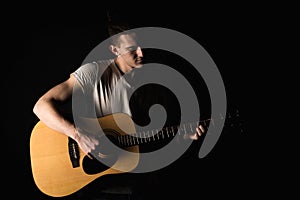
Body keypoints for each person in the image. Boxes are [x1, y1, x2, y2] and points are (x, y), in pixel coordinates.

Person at [32, 11, 206, 200]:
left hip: (137, 182)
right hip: (100, 186)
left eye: (143, 46)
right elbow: (41, 106)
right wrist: (77, 133)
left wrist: (180, 137)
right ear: (115, 50)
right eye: (132, 49)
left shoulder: (155, 84)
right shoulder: (94, 73)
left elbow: (147, 142)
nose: (141, 53)